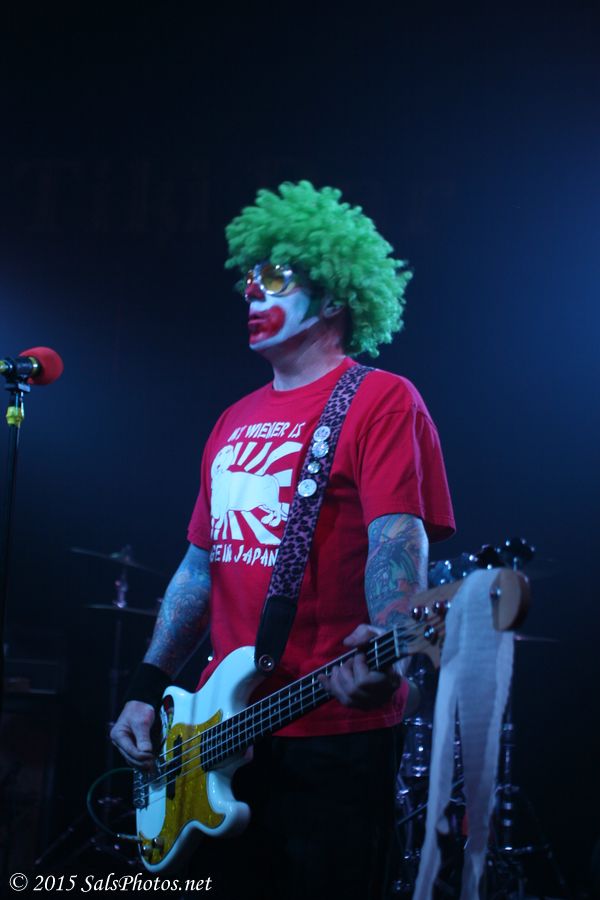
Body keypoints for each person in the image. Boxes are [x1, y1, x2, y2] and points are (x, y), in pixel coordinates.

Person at [110, 180, 455, 899]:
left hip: (331, 732)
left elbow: (396, 538)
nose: (250, 291)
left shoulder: (382, 399)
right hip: (215, 733)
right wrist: (147, 687)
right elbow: (198, 568)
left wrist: (389, 646)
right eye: (249, 277)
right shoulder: (233, 418)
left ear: (332, 299)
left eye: (274, 278)